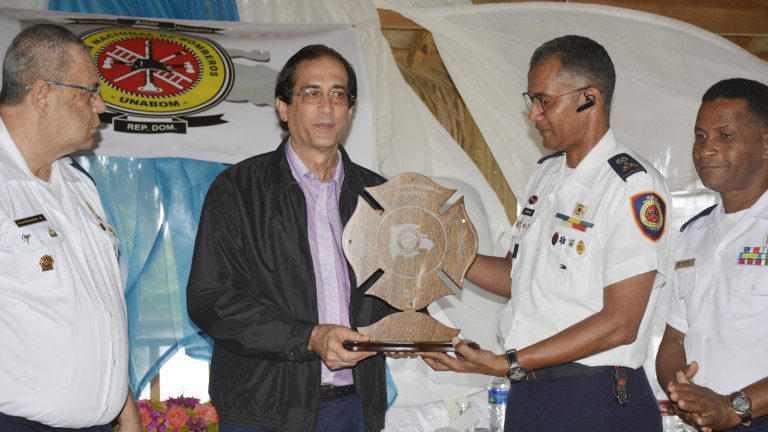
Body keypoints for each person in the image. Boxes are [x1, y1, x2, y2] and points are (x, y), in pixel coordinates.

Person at [420, 35, 670, 431]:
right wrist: (440, 252)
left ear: (589, 98)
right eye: (531, 100)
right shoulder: (547, 174)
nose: (533, 115)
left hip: (593, 396)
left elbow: (621, 322)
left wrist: (507, 363)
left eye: (544, 101)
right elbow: (517, 276)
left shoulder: (632, 187)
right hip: (530, 390)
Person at [187, 45, 395, 432]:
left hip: (355, 408)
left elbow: (396, 291)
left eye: (338, 94)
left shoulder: (380, 195)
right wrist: (309, 337)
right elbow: (210, 300)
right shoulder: (237, 190)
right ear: (283, 107)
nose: (327, 107)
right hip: (263, 411)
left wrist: (419, 330)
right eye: (312, 93)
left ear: (350, 110)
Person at [0, 24, 139, 432]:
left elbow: (95, 307)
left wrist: (123, 404)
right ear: (43, 95)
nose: (100, 106)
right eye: (89, 91)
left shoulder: (79, 183)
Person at [655, 78, 768, 432]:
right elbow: (674, 338)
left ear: (766, 145)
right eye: (700, 136)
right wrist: (683, 395)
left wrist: (733, 408)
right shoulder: (693, 234)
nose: (706, 150)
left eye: (725, 135)